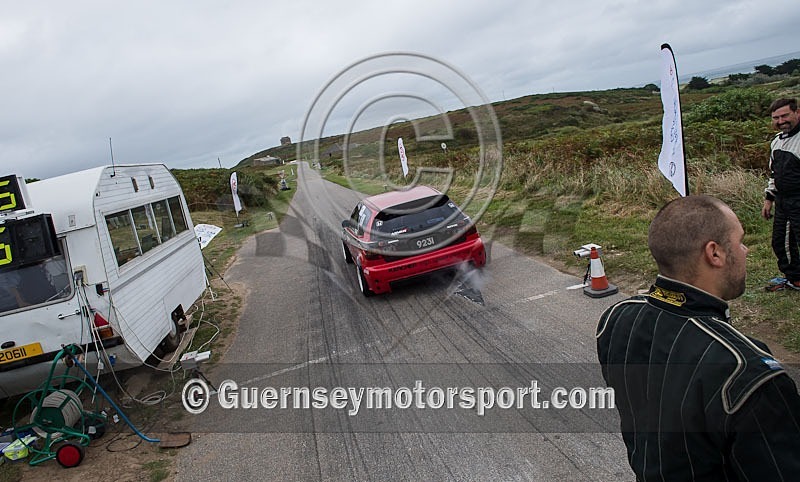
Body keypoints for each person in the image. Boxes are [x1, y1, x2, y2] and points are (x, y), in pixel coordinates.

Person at [596, 195, 800, 480]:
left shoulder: (615, 319)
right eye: (740, 241)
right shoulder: (747, 371)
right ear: (714, 253)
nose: (746, 250)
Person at [762, 97, 800, 291]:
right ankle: (794, 279)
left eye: (785, 115)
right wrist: (769, 199)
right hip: (783, 201)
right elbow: (774, 174)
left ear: (797, 112)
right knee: (781, 243)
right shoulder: (776, 142)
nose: (780, 121)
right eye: (776, 117)